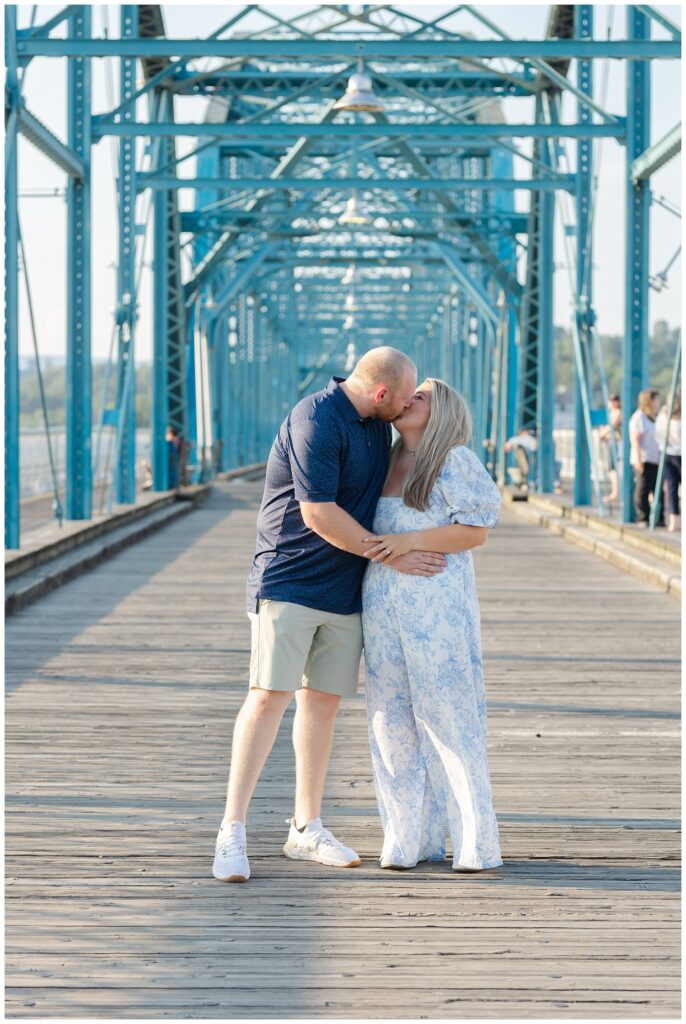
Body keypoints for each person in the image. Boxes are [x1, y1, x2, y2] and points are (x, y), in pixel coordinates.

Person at [212, 347, 448, 883]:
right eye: (406, 395)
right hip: (289, 579)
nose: (411, 402)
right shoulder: (315, 419)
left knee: (320, 707)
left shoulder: (376, 425)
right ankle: (232, 830)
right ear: (382, 393)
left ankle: (305, 827)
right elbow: (317, 512)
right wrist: (396, 554)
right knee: (268, 696)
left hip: (345, 589)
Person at [361, 379, 503, 872]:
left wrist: (409, 541)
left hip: (437, 606)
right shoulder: (384, 459)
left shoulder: (453, 460)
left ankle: (473, 843)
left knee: (449, 717)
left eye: (419, 396)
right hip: (382, 606)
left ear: (440, 410)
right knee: (390, 720)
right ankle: (407, 838)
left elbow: (476, 530)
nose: (406, 399)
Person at [629, 389, 664, 527]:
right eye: (656, 400)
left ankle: (658, 518)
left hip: (656, 458)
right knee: (643, 489)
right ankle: (643, 517)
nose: (658, 403)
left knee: (658, 490)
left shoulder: (656, 417)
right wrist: (638, 460)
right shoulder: (639, 417)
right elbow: (636, 440)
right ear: (650, 401)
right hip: (644, 458)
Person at [655, 394, 681, 532]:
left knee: (672, 488)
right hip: (669, 453)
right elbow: (658, 435)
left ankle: (674, 520)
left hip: (671, 452)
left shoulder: (664, 414)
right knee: (671, 488)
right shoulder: (664, 415)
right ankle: (674, 519)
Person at [600, 394, 622, 503]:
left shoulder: (618, 412)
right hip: (611, 442)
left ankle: (615, 492)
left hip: (616, 443)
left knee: (613, 469)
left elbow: (612, 426)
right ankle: (615, 492)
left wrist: (602, 432)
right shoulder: (613, 413)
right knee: (612, 469)